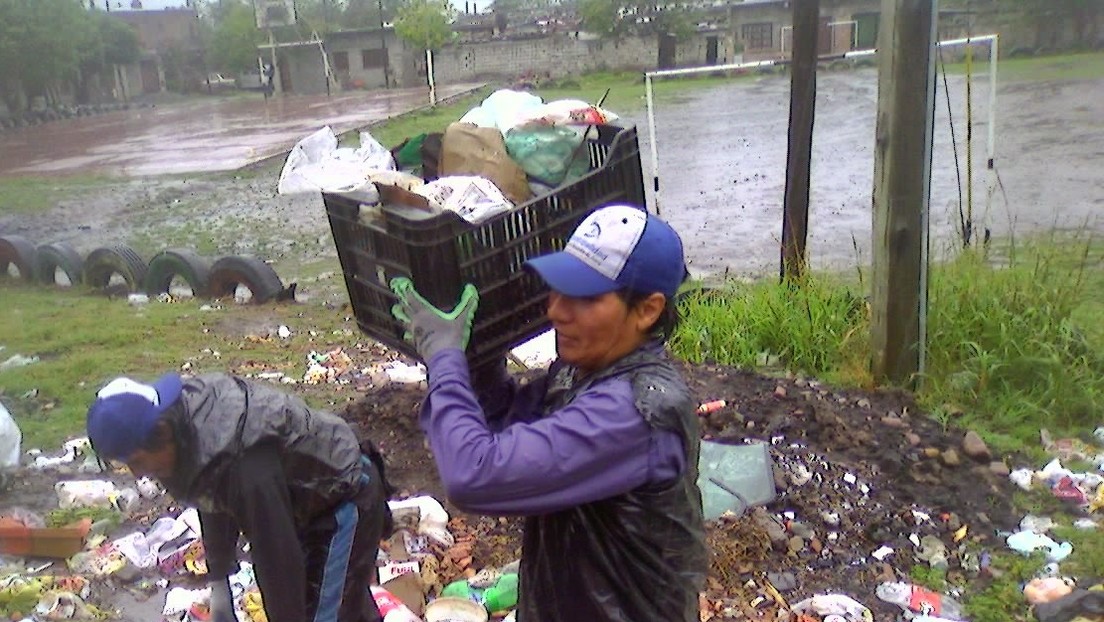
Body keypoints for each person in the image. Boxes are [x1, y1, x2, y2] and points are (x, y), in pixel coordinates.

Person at [390, 204, 707, 621]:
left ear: (647, 310)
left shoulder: (635, 413)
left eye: (583, 298)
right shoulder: (582, 372)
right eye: (556, 289)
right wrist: (479, 357)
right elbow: (498, 421)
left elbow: (474, 473)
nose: (555, 311)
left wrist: (444, 357)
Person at [85, 372, 390, 622]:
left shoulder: (246, 466)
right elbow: (211, 495)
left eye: (138, 460)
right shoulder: (187, 431)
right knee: (338, 601)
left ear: (162, 431)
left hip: (342, 497)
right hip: (300, 500)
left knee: (323, 614)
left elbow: (277, 559)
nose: (138, 474)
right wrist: (219, 582)